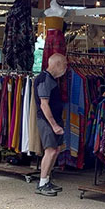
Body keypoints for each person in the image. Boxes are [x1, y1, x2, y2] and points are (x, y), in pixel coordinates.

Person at [34, 53, 68, 196]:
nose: (66, 67)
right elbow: (44, 105)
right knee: (51, 150)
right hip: (47, 120)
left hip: (53, 119)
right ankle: (42, 183)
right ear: (57, 64)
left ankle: (46, 179)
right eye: (65, 64)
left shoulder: (50, 79)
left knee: (56, 150)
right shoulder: (44, 79)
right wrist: (54, 125)